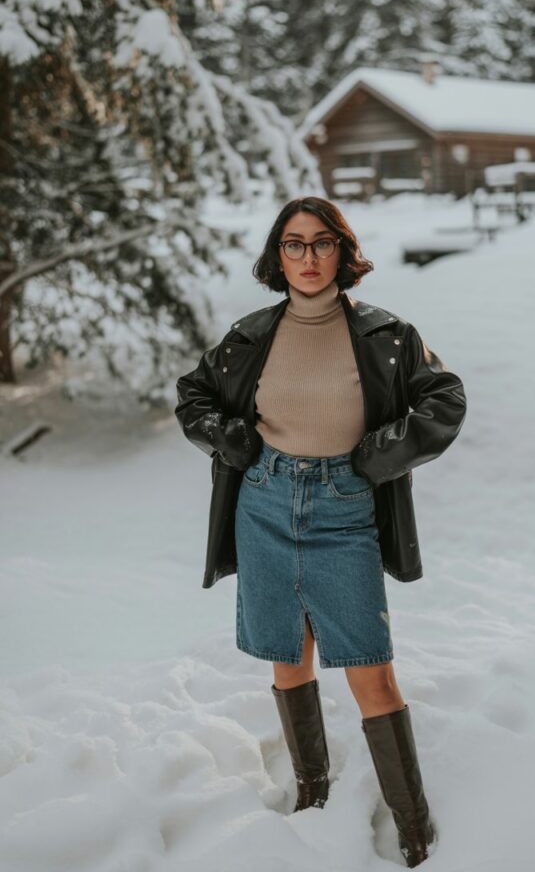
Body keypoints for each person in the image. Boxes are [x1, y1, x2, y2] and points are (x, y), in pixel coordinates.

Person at [174, 196, 467, 867]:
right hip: (264, 505)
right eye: (294, 244)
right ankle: (312, 795)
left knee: (371, 670)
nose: (308, 258)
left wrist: (379, 456)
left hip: (344, 508)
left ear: (344, 249)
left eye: (322, 243)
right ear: (278, 256)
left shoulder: (388, 335)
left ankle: (414, 831)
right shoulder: (250, 335)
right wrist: (230, 436)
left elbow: (445, 397)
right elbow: (193, 397)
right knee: (287, 651)